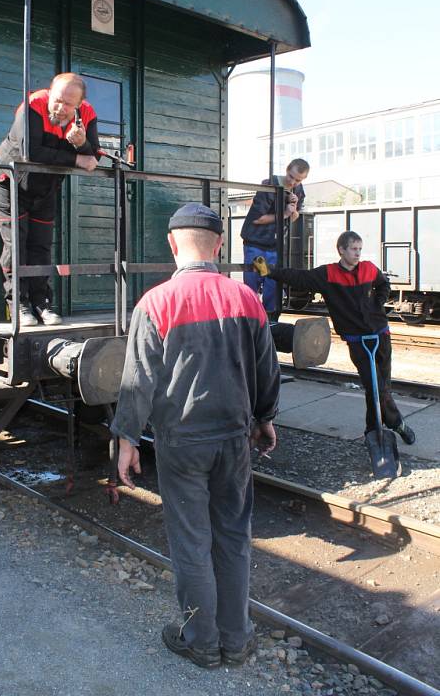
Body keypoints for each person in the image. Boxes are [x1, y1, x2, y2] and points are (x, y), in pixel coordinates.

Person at [110, 203, 280, 669]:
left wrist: (126, 440)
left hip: (181, 443)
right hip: (234, 439)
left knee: (191, 542)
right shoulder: (247, 299)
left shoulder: (155, 303)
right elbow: (268, 370)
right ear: (219, 246)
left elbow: (136, 380)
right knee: (232, 536)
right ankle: (237, 638)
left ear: (172, 245)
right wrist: (265, 417)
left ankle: (200, 640)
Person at [257, 230, 416, 447]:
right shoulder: (328, 274)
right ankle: (396, 422)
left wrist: (377, 302)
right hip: (357, 340)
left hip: (380, 335)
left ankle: (372, 430)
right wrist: (269, 271)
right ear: (341, 250)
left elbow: (383, 284)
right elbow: (298, 277)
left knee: (381, 386)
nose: (357, 253)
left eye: (360, 249)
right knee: (375, 385)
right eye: (353, 249)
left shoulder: (369, 268)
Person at [0, 73, 100, 326]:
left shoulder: (88, 114)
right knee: (15, 245)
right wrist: (76, 158)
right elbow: (31, 151)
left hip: (46, 186)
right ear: (50, 93)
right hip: (9, 183)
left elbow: (93, 157)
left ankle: (42, 303)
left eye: (69, 105)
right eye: (58, 100)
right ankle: (18, 304)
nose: (61, 109)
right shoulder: (32, 105)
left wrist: (82, 144)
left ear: (80, 105)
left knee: (41, 247)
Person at [241, 158, 310, 316]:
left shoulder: (298, 191)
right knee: (255, 282)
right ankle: (251, 318)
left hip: (275, 245)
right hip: (257, 244)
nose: (293, 182)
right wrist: (284, 213)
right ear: (286, 170)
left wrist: (293, 210)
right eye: (291, 177)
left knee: (273, 285)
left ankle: (271, 322)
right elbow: (257, 219)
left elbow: (293, 217)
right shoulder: (268, 186)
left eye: (298, 180)